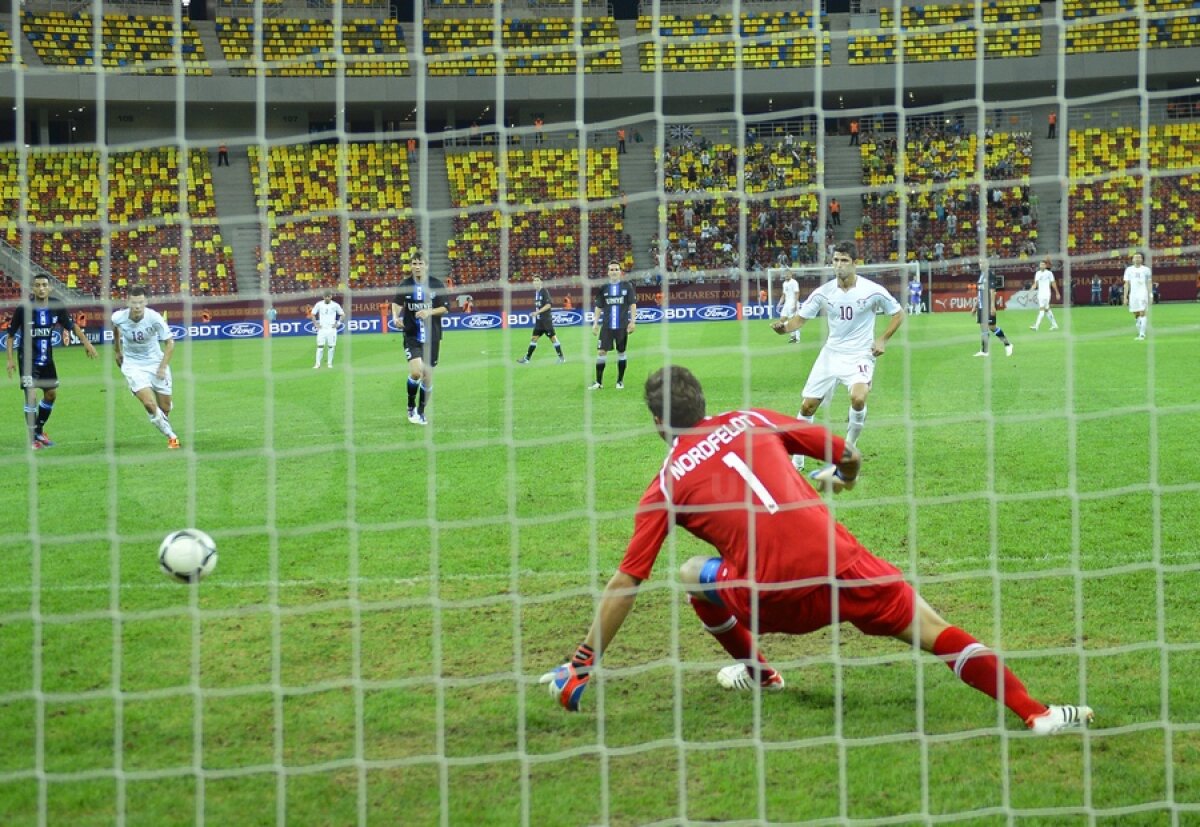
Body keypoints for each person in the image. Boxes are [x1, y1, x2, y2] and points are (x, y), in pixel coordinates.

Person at [540, 366, 1094, 737]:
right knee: (932, 628)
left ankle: (759, 672)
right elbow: (845, 452)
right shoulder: (751, 418)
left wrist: (581, 663)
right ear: (705, 404)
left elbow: (626, 582)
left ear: (657, 422)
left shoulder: (663, 484)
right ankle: (1036, 713)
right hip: (842, 568)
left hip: (770, 599)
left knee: (692, 572)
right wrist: (843, 478)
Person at [770, 241, 904, 466]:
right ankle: (798, 459)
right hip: (831, 354)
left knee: (858, 397)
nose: (839, 265)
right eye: (836, 261)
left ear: (855, 264)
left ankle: (848, 448)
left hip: (861, 354)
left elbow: (898, 313)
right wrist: (783, 329)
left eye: (844, 261)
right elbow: (800, 319)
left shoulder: (872, 290)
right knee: (808, 406)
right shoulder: (823, 293)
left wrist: (882, 339)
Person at [5, 273, 98, 449]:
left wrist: (87, 343)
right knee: (31, 396)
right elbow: (10, 336)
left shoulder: (56, 306)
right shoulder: (24, 308)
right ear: (32, 288)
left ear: (50, 288)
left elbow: (72, 326)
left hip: (47, 359)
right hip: (27, 360)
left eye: (44, 285)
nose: (41, 288)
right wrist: (10, 360)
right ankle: (33, 438)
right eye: (37, 285)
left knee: (51, 394)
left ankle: (38, 430)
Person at [111, 286, 180, 449]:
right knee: (149, 404)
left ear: (146, 302)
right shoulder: (118, 317)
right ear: (128, 302)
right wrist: (117, 351)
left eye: (140, 303)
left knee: (165, 408)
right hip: (133, 365)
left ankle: (164, 416)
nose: (137, 307)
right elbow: (115, 330)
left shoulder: (154, 318)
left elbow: (170, 343)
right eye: (134, 303)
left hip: (156, 363)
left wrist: (163, 367)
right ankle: (172, 437)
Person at [391, 253, 448, 425]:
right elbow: (397, 303)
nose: (417, 266)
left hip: (433, 336)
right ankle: (410, 407)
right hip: (412, 334)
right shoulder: (405, 285)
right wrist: (395, 317)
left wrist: (429, 311)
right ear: (410, 266)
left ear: (426, 266)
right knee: (416, 372)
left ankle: (421, 411)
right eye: (414, 263)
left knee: (428, 376)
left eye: (420, 263)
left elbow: (445, 308)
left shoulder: (436, 284)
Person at [589, 261, 637, 390]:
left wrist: (633, 321)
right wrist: (595, 323)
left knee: (621, 352)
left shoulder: (627, 286)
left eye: (616, 269)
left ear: (620, 272)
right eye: (612, 269)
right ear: (608, 272)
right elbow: (599, 307)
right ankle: (599, 382)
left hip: (622, 326)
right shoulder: (604, 288)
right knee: (601, 352)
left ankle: (620, 381)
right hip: (606, 327)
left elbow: (632, 304)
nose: (614, 272)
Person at [517, 276, 565, 365]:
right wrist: (536, 313)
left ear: (541, 282)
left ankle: (561, 358)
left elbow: (548, 305)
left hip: (546, 321)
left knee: (553, 339)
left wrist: (537, 312)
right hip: (539, 322)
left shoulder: (544, 291)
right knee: (534, 338)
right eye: (534, 281)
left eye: (537, 280)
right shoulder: (536, 293)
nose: (535, 282)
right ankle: (527, 359)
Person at [974, 271, 1013, 358]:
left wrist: (992, 306)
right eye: (980, 262)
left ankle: (1007, 344)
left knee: (992, 327)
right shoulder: (980, 275)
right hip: (981, 306)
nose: (981, 264)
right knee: (983, 328)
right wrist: (975, 306)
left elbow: (992, 291)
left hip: (988, 306)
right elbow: (979, 292)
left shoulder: (990, 274)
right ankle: (984, 351)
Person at [310, 291, 345, 368]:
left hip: (331, 329)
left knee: (331, 346)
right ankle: (317, 364)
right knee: (320, 346)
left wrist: (338, 324)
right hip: (322, 329)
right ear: (323, 297)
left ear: (331, 297)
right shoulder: (319, 304)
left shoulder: (335, 305)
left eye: (328, 296)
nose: (327, 298)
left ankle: (329, 364)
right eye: (325, 296)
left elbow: (342, 315)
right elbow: (312, 314)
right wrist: (315, 324)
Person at [1123, 252, 1151, 341]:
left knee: (1142, 312)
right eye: (1136, 257)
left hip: (1143, 293)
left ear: (1142, 259)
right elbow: (1126, 284)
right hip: (1133, 294)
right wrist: (1125, 297)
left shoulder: (1146, 270)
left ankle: (1142, 335)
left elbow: (1149, 283)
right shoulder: (1128, 270)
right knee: (1136, 315)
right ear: (1132, 259)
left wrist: (1151, 295)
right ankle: (1140, 332)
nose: (1137, 259)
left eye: (1139, 257)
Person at [1029, 259, 1060, 332]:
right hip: (1040, 293)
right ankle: (1054, 324)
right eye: (1040, 264)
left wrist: (1057, 293)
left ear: (1046, 266)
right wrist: (1030, 291)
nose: (1041, 265)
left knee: (1042, 309)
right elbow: (1035, 284)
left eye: (1043, 264)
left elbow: (1053, 283)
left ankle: (1036, 326)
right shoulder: (1037, 273)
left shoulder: (1049, 273)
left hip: (1046, 294)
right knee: (1047, 309)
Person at [776, 270, 800, 344]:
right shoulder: (784, 283)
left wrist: (795, 304)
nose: (786, 275)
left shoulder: (794, 282)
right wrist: (779, 303)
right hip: (786, 303)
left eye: (788, 274)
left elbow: (797, 293)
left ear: (791, 274)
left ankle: (797, 338)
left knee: (793, 321)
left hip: (793, 302)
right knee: (782, 319)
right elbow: (784, 295)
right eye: (785, 274)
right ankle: (792, 337)